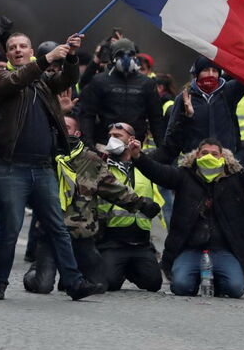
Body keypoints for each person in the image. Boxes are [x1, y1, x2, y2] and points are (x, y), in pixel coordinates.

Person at [0, 31, 98, 301]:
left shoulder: (42, 82)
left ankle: (74, 283)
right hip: (11, 167)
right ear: (8, 54)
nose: (18, 50)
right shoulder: (1, 78)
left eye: (23, 46)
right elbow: (16, 80)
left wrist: (71, 55)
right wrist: (47, 58)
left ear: (30, 49)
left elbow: (68, 79)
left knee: (58, 227)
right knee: (10, 228)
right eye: (12, 47)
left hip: (44, 166)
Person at [128, 136, 244, 298]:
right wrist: (138, 156)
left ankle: (218, 279)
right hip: (190, 249)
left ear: (222, 157)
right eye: (205, 153)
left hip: (224, 250)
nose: (209, 156)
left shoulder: (236, 177)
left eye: (214, 154)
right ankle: (195, 276)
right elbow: (157, 171)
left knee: (235, 289)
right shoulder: (183, 176)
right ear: (197, 156)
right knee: (182, 287)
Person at [23, 115, 159, 294]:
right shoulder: (44, 156)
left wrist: (141, 204)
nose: (62, 130)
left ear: (77, 133)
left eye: (67, 127)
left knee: (100, 285)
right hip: (52, 231)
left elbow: (113, 188)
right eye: (58, 127)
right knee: (42, 286)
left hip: (82, 233)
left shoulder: (90, 160)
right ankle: (35, 271)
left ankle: (71, 277)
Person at [93, 121, 167, 293]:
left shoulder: (145, 165)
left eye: (118, 136)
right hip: (112, 241)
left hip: (141, 242)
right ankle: (115, 267)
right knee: (109, 283)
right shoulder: (101, 165)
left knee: (154, 283)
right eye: (110, 136)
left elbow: (169, 148)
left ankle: (129, 268)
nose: (112, 139)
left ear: (131, 140)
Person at [79, 38, 165, 147]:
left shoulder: (146, 83)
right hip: (105, 143)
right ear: (112, 57)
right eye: (120, 54)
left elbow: (155, 117)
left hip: (134, 145)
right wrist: (88, 143)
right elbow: (88, 114)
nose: (126, 58)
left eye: (131, 54)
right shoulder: (100, 81)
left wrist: (161, 147)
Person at [164, 56, 244, 154]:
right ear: (198, 73)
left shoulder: (228, 91)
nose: (211, 74)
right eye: (206, 70)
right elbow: (171, 136)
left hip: (224, 158)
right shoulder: (184, 97)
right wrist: (186, 117)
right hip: (194, 160)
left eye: (215, 71)